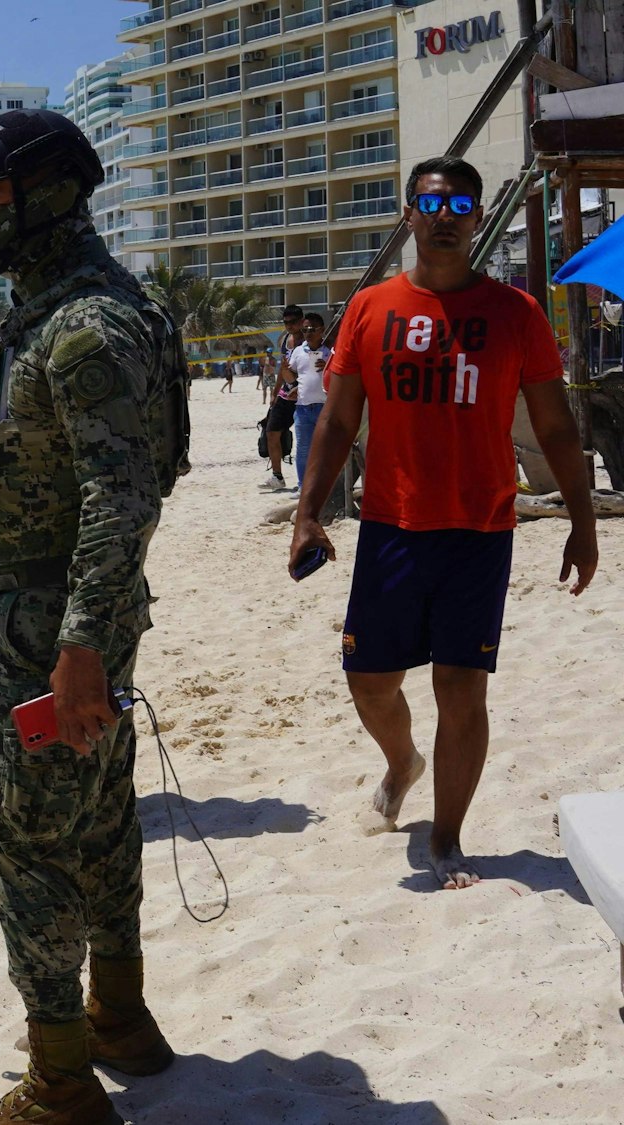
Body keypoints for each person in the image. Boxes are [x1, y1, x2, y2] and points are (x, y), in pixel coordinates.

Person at [0, 108, 175, 1124]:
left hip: (53, 619)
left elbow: (120, 497)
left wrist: (77, 645)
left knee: (22, 839)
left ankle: (60, 1084)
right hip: (50, 605)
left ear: (52, 193)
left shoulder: (84, 326)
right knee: (95, 818)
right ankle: (118, 1017)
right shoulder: (55, 311)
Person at [289, 155, 599, 892]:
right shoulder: (370, 308)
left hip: (481, 528)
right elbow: (336, 420)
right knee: (369, 680)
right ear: (409, 216)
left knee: (462, 688)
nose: (447, 215)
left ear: (479, 217)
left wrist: (581, 521)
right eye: (432, 203)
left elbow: (556, 429)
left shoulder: (517, 314)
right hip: (391, 524)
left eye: (462, 204)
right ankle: (402, 762)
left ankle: (448, 837)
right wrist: (307, 511)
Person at [286, 313, 328, 491]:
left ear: (322, 330)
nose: (308, 333)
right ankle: (303, 487)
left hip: (325, 407)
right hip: (303, 408)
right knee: (303, 450)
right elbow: (291, 374)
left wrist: (328, 367)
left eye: (312, 329)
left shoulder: (330, 352)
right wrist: (290, 383)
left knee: (326, 450)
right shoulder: (297, 351)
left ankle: (326, 486)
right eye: (304, 330)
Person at [263, 318, 301, 490]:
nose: (289, 325)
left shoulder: (311, 341)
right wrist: (275, 392)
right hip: (286, 395)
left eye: (293, 322)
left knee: (306, 440)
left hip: (306, 397)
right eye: (286, 322)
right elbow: (283, 370)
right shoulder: (286, 340)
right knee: (271, 432)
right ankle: (277, 476)